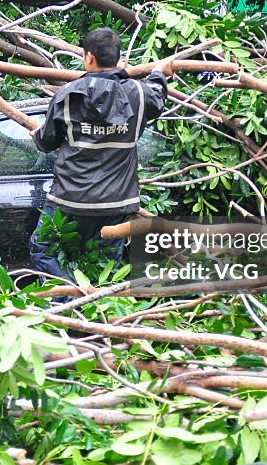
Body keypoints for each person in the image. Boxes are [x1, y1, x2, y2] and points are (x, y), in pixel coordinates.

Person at [30, 27, 173, 280]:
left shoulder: (67, 94)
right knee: (106, 265)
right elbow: (157, 97)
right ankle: (102, 308)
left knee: (43, 250)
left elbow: (45, 142)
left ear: (88, 58)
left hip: (69, 199)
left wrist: (37, 134)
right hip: (114, 202)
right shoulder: (139, 93)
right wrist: (160, 72)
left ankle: (66, 301)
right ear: (117, 58)